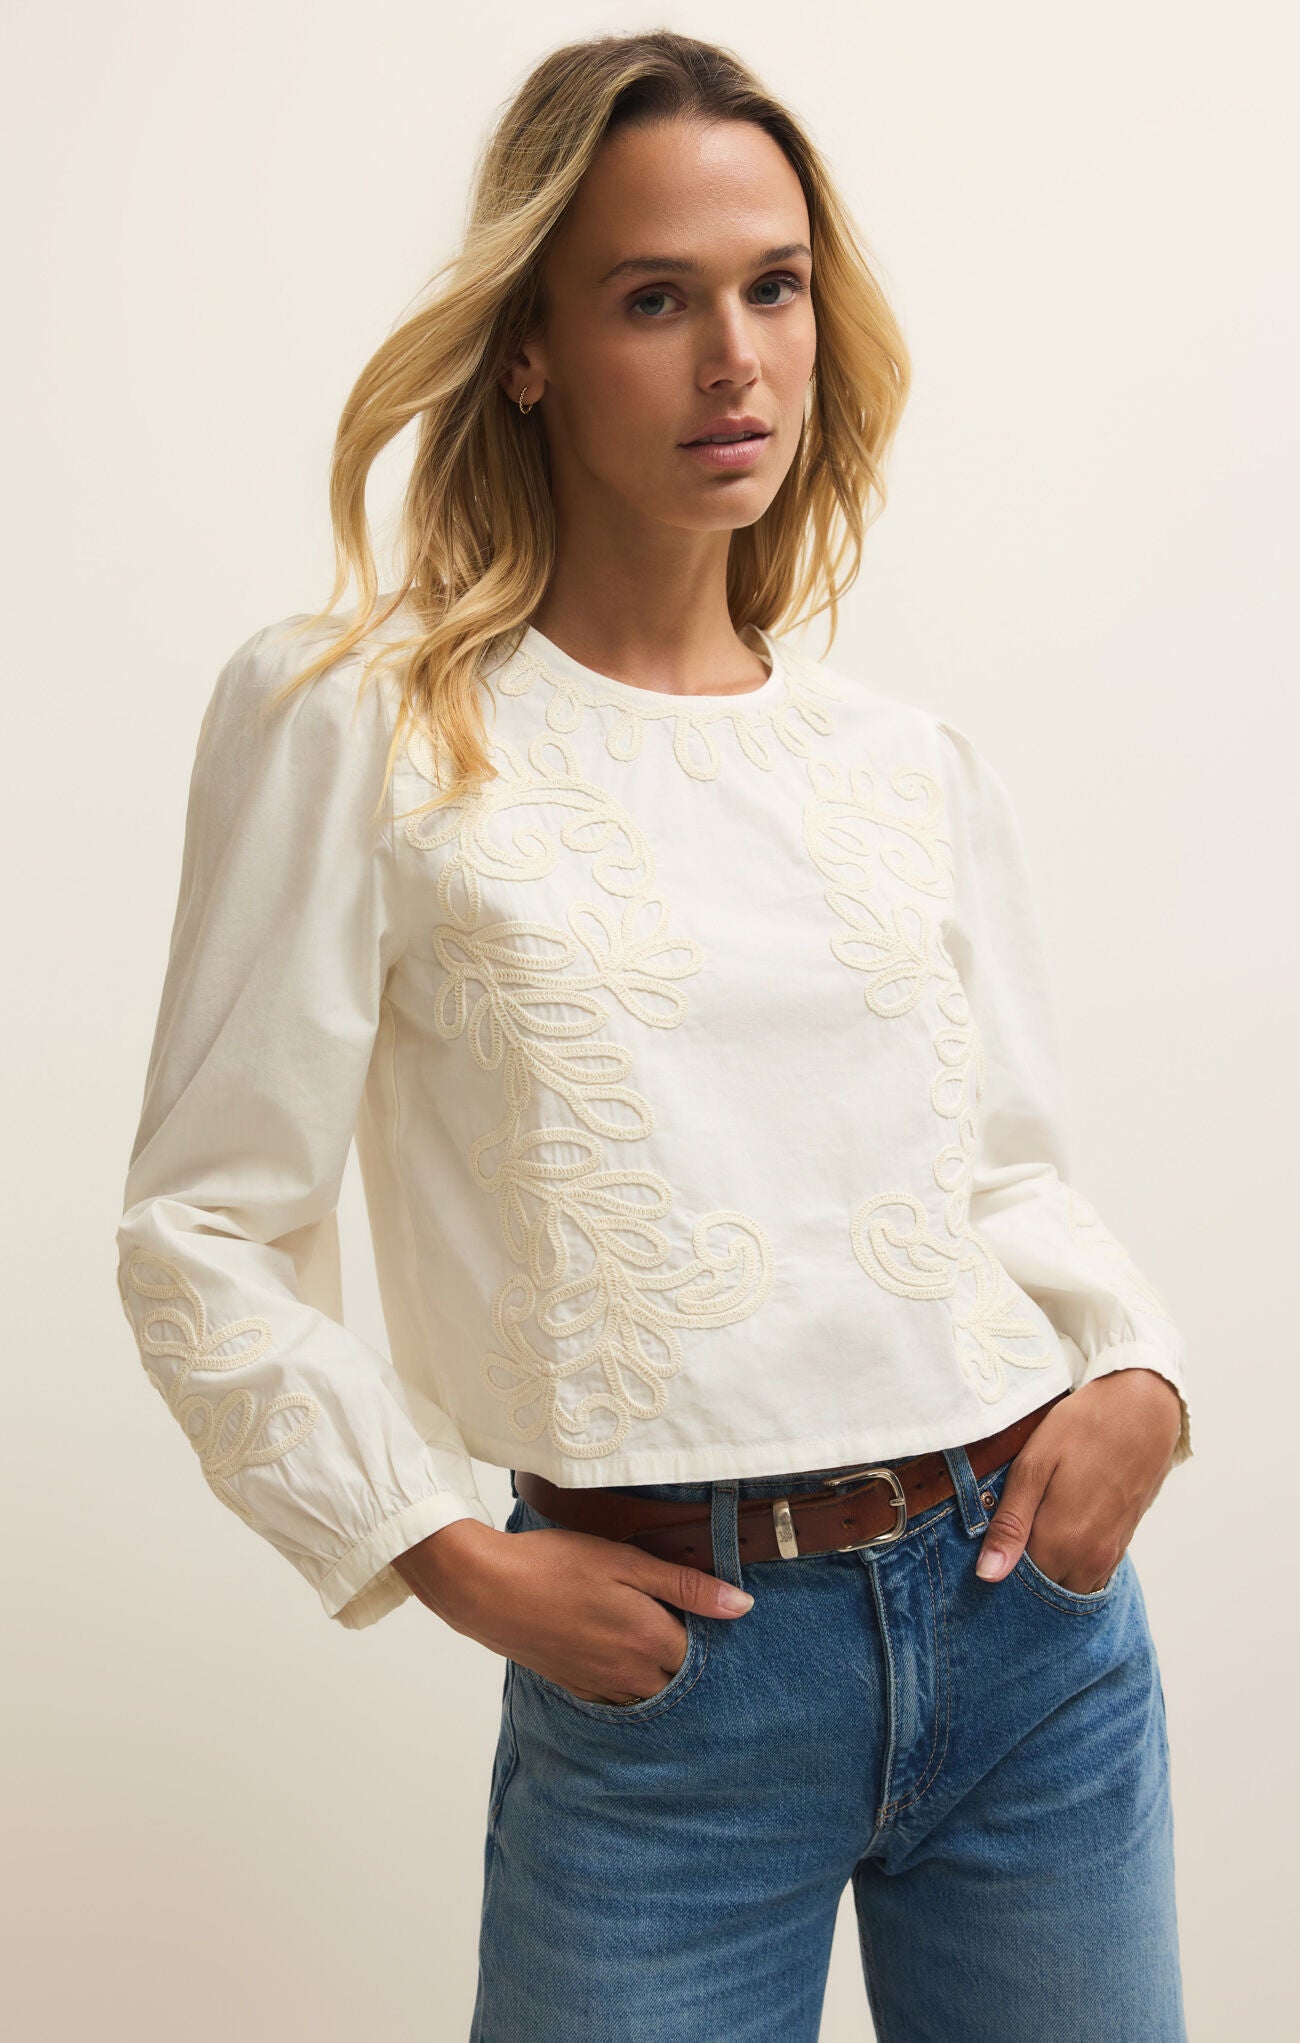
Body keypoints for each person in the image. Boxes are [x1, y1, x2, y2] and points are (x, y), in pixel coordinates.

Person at [114, 29, 1193, 2043]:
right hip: (668, 1672)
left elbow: (1011, 1169)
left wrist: (1132, 1364)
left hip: (1027, 1628)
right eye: (650, 299)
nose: (734, 361)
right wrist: (438, 1546)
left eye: (771, 288)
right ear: (523, 344)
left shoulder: (898, 759)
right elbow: (198, 1226)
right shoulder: (354, 718)